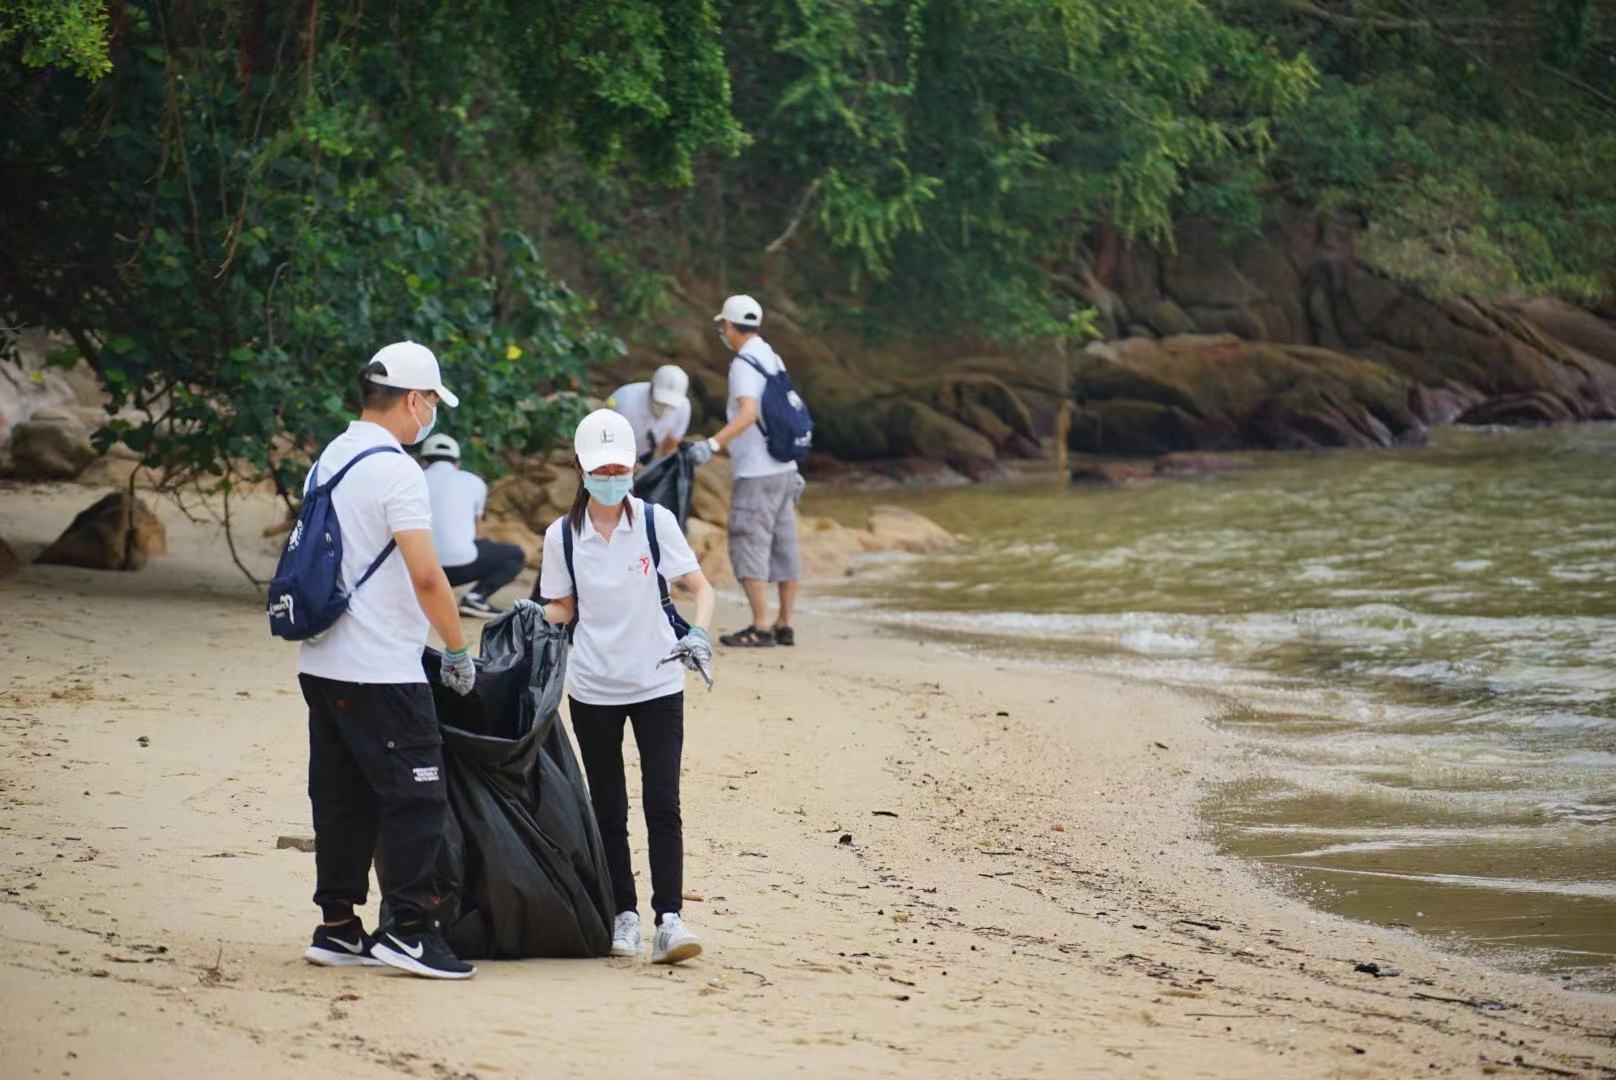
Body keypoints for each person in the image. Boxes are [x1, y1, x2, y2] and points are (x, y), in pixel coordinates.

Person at [296, 341, 478, 981]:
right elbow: (427, 576)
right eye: (431, 400)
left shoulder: (332, 455)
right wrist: (457, 649)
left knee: (342, 796)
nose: (431, 413)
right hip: (381, 669)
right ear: (411, 399)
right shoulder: (398, 470)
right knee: (416, 798)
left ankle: (338, 925)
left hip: (322, 662)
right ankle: (409, 928)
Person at [538, 408, 716, 965]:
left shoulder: (657, 522)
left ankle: (669, 918)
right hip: (593, 687)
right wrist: (529, 622)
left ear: (634, 468)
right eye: (601, 469)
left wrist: (701, 633)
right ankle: (624, 915)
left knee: (664, 802)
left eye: (620, 468)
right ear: (582, 469)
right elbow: (562, 607)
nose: (611, 477)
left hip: (658, 678)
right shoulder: (562, 536)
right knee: (608, 808)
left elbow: (699, 587)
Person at [688, 295, 801, 648]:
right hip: (786, 466)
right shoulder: (771, 355)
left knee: (748, 542)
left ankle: (761, 627)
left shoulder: (743, 364)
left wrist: (713, 444)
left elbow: (748, 413)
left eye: (723, 326)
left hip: (756, 470)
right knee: (784, 544)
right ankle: (785, 623)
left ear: (728, 326)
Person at [420, 433, 524, 619]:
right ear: (457, 463)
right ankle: (476, 597)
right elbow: (475, 531)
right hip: (460, 567)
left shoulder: (413, 478)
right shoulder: (475, 482)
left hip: (417, 570)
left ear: (424, 461)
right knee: (514, 554)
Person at [607, 364, 692, 463]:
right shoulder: (625, 402)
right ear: (651, 386)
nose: (664, 408)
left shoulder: (683, 408)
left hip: (645, 452)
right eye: (660, 402)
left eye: (670, 405)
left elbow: (672, 442)